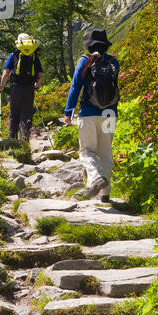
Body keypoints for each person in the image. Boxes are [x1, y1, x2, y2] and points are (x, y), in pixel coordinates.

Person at [62, 27, 119, 199]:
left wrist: (68, 112)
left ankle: (95, 179)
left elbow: (75, 87)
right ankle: (105, 194)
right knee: (106, 152)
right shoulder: (113, 62)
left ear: (89, 46)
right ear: (106, 46)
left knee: (87, 151)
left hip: (89, 113)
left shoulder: (85, 60)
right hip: (110, 113)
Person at [0, 33, 43, 141]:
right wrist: (36, 85)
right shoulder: (34, 55)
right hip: (29, 88)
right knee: (26, 115)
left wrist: (1, 86)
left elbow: (6, 73)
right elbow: (40, 74)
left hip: (16, 87)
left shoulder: (14, 54)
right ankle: (24, 140)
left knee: (14, 114)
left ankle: (12, 141)